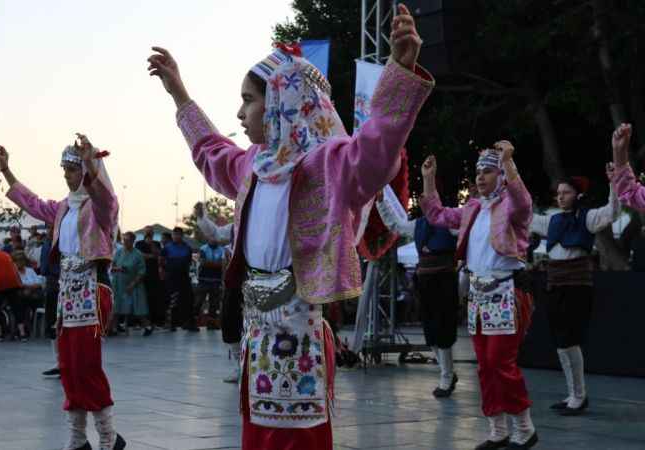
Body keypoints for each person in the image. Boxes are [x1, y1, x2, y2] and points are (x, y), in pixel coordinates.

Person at [147, 5, 431, 448]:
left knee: (297, 438)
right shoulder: (251, 166)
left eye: (248, 100)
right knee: (258, 436)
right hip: (257, 331)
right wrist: (179, 93)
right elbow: (209, 150)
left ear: (281, 100)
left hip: (300, 329)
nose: (240, 114)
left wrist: (400, 69)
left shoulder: (328, 165)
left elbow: (377, 151)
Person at [0, 134, 125, 450]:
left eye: (71, 169)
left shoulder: (100, 208)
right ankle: (78, 437)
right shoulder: (64, 208)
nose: (66, 175)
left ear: (85, 171)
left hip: (92, 291)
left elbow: (105, 196)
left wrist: (92, 159)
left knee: (87, 364)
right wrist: (6, 171)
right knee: (67, 364)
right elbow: (33, 203)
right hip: (67, 294)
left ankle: (108, 437)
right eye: (63, 169)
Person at [420, 144, 538, 450]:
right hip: (478, 296)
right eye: (478, 172)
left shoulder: (512, 207)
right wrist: (429, 180)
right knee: (485, 365)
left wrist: (509, 161)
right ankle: (497, 429)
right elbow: (436, 215)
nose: (481, 177)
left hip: (505, 292)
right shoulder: (472, 208)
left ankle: (524, 428)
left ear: (500, 175)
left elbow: (522, 199)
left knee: (501, 362)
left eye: (487, 170)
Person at [529, 166, 619, 416]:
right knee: (560, 342)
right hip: (555, 285)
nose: (560, 196)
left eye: (566, 192)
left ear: (577, 195)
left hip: (578, 286)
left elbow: (613, 211)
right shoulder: (552, 220)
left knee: (570, 340)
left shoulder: (588, 217)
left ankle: (579, 396)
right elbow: (525, 215)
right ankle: (573, 394)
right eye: (559, 193)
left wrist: (614, 184)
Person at [376, 185, 460, 398]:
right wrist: (380, 201)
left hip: (445, 281)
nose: (423, 200)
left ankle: (446, 376)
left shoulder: (452, 223)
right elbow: (396, 224)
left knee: (444, 331)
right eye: (421, 197)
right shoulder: (419, 225)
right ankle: (446, 371)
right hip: (425, 283)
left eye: (428, 196)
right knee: (431, 333)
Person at [196, 202, 242, 384]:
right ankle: (239, 366)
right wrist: (202, 217)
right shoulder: (234, 228)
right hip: (235, 284)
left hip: (260, 282)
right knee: (230, 323)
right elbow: (214, 233)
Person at [112, 231, 152, 336]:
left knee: (137, 308)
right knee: (117, 306)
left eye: (128, 240)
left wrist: (133, 284)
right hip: (119, 283)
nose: (125, 242)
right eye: (124, 240)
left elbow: (142, 272)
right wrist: (118, 269)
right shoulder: (119, 252)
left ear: (133, 241)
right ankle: (114, 328)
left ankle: (147, 326)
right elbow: (113, 265)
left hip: (133, 283)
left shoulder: (138, 254)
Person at [160, 227, 195, 331]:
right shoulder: (167, 247)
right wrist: (164, 271)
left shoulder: (187, 247)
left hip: (184, 276)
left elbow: (189, 262)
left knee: (188, 299)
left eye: (178, 235)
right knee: (172, 299)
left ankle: (188, 323)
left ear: (182, 236)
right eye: (174, 235)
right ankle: (171, 324)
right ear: (172, 236)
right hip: (171, 277)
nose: (176, 237)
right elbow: (161, 261)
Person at [40, 224, 62, 377]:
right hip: (51, 285)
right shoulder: (47, 242)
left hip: (60, 285)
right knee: (52, 324)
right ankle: (59, 361)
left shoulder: (62, 242)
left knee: (60, 324)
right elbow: (44, 266)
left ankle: (64, 361)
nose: (49, 231)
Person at [135, 226, 165, 326]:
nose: (149, 233)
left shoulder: (156, 243)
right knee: (142, 297)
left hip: (153, 274)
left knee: (153, 297)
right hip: (142, 274)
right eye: (147, 232)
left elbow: (158, 255)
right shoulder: (139, 243)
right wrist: (151, 256)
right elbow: (139, 255)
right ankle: (140, 321)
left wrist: (151, 244)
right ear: (144, 232)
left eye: (150, 232)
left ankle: (153, 320)